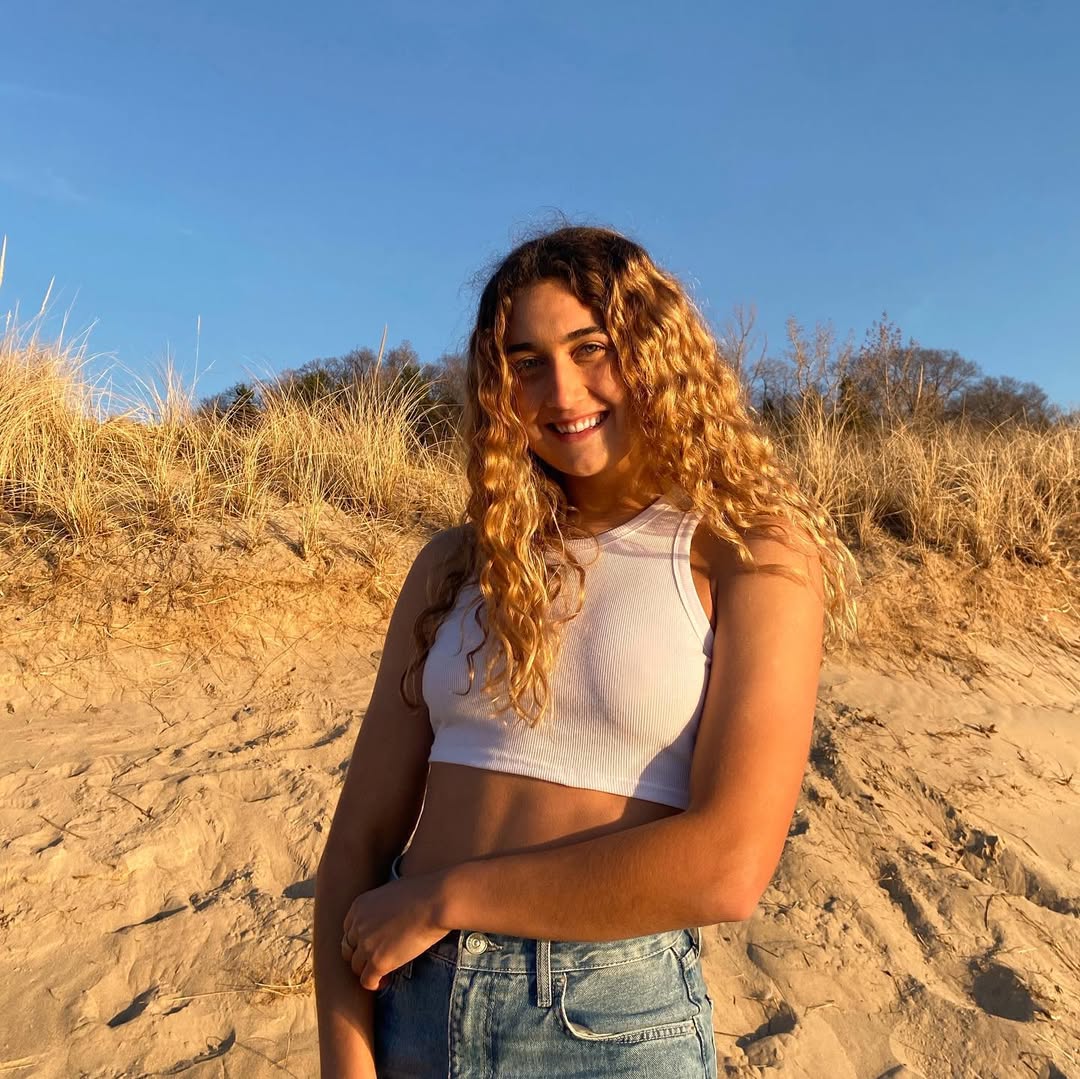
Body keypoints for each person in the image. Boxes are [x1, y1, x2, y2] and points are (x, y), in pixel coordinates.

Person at [313, 225, 856, 1078]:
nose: (562, 391)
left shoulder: (747, 549)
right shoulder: (456, 565)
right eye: (525, 362)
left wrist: (448, 897)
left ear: (655, 353)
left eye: (590, 348)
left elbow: (730, 864)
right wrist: (344, 1059)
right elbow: (357, 839)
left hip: (605, 1022)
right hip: (409, 998)